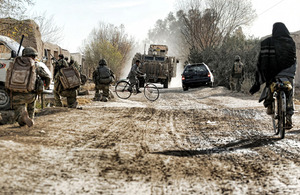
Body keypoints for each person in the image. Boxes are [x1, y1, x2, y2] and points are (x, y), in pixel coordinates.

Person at [249, 22, 297, 129]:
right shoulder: (291, 42)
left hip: (274, 72)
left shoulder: (269, 42)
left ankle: (270, 105)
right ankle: (289, 117)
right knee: (290, 93)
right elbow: (294, 59)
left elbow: (263, 61)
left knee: (270, 83)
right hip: (289, 73)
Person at [11, 47, 51, 127]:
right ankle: (30, 118)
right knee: (31, 107)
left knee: (19, 109)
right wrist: (45, 86)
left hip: (16, 93)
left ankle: (22, 118)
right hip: (31, 94)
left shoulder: (14, 64)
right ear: (32, 56)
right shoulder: (35, 65)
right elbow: (47, 77)